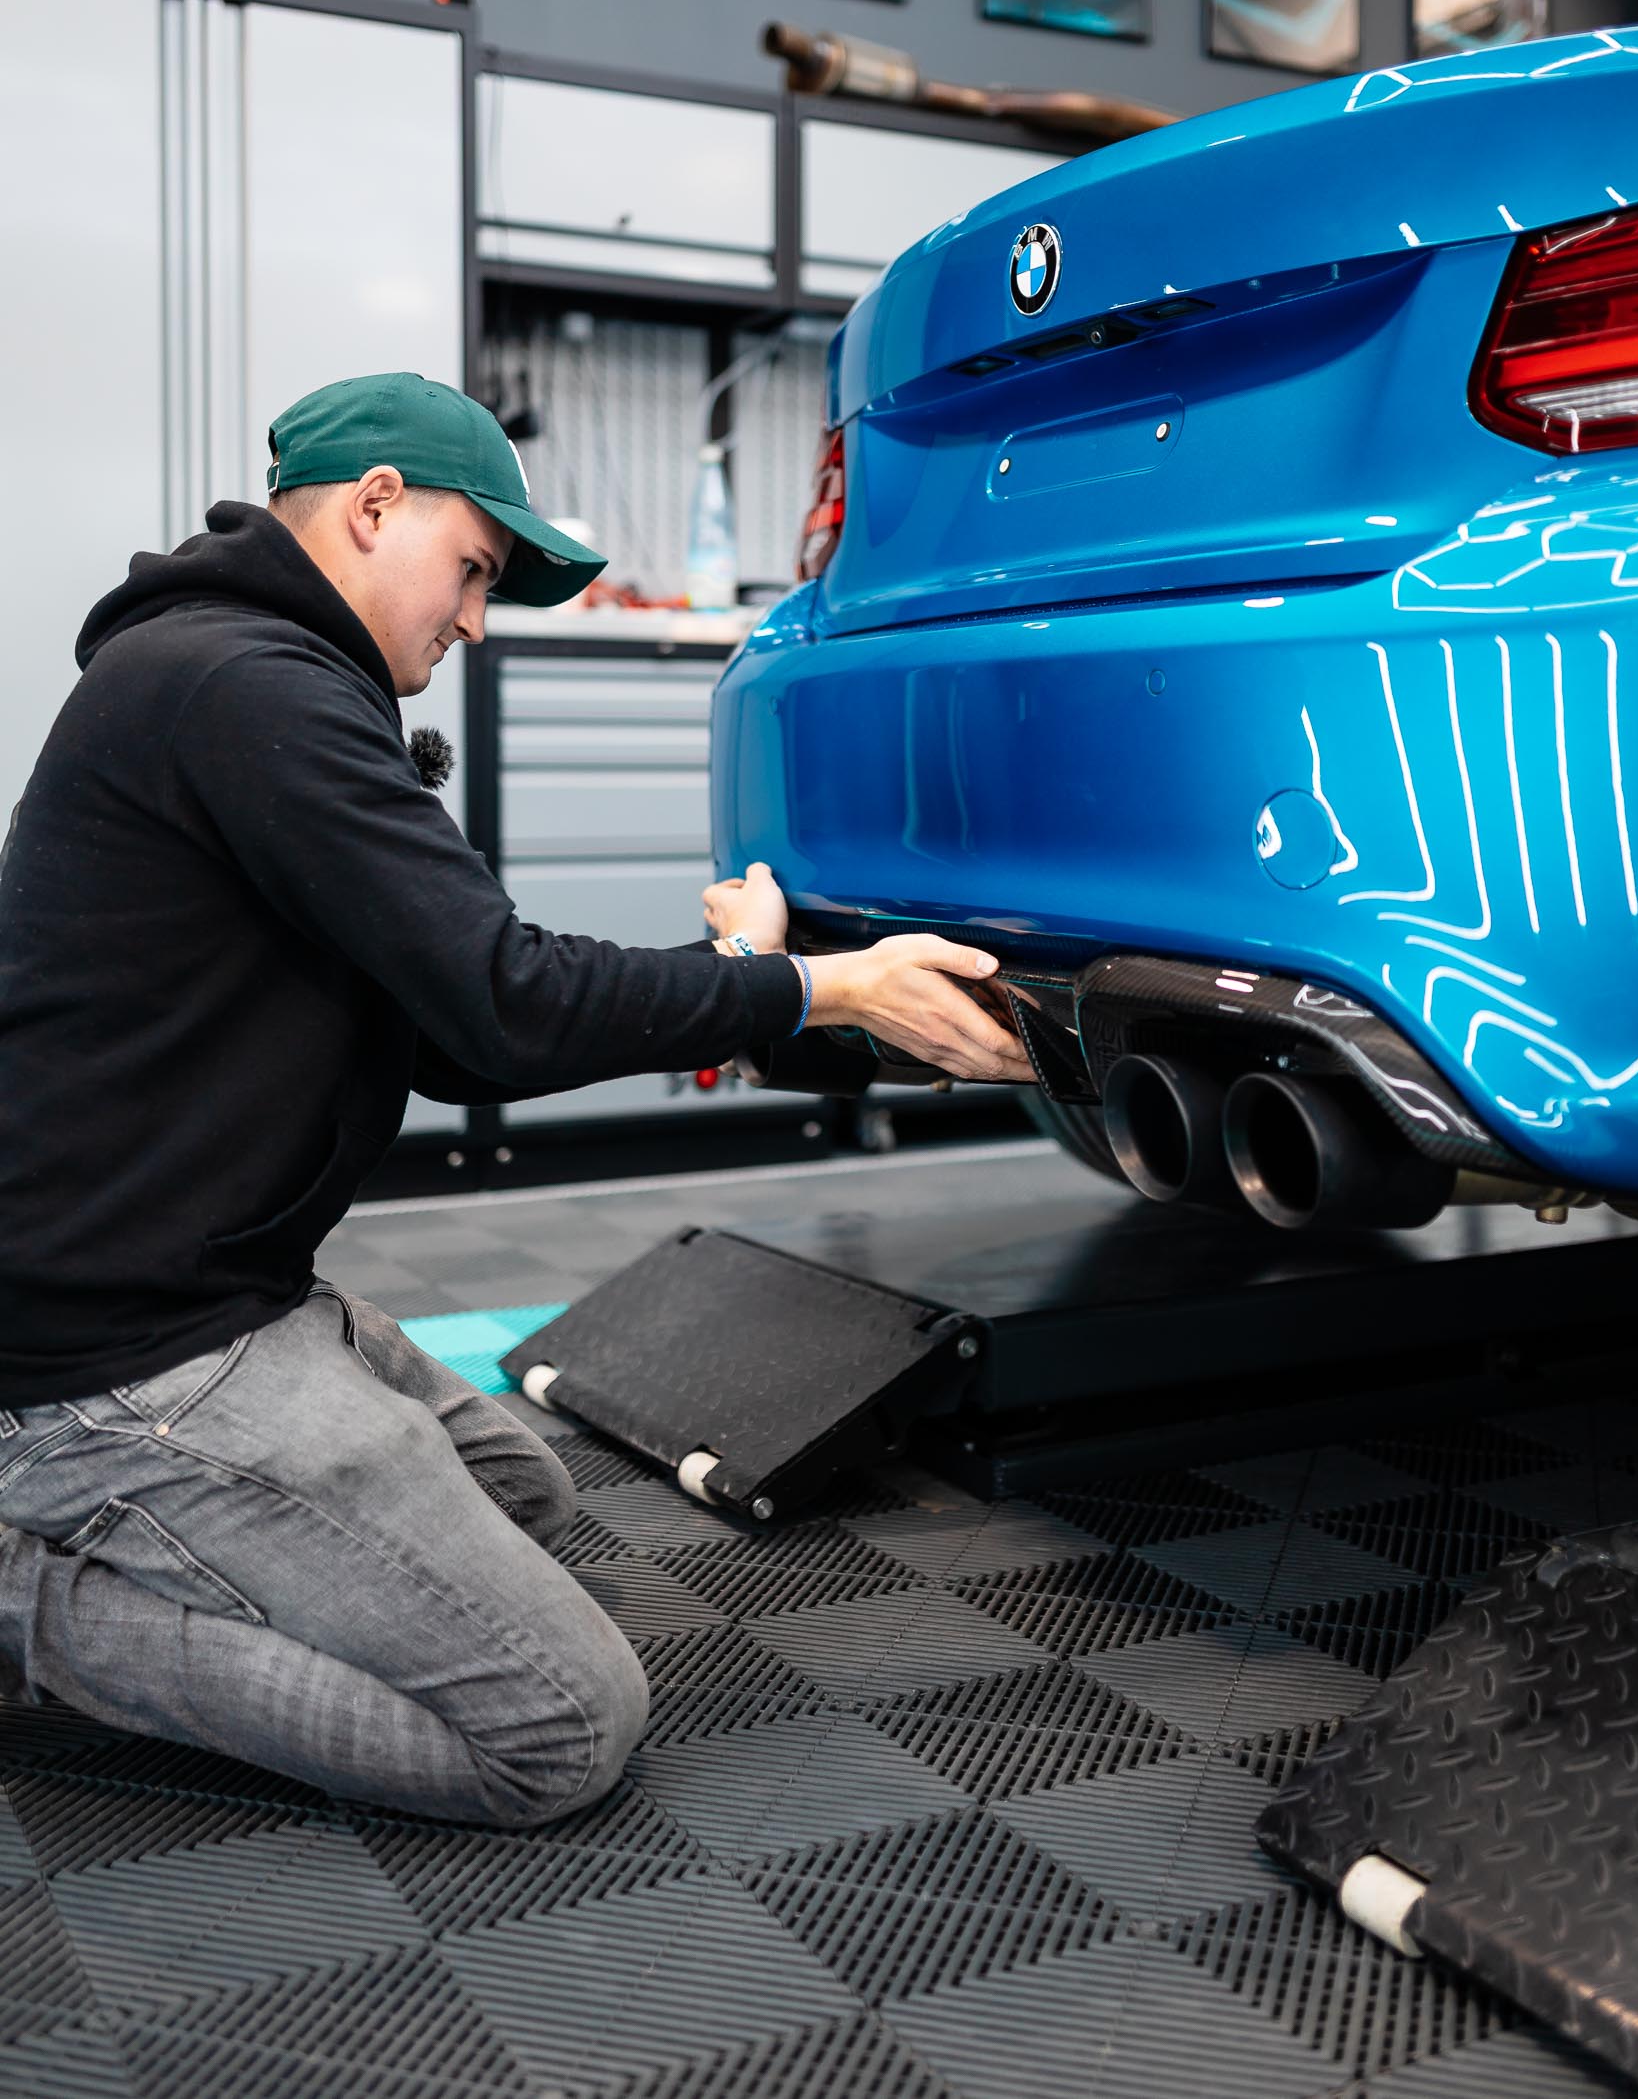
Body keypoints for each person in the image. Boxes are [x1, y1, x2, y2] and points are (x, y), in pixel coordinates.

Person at [0, 371, 1031, 1827]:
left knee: (525, 1498)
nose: (476, 622)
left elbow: (464, 1042)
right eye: (476, 570)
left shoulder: (263, 683)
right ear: (374, 506)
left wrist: (749, 976)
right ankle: (31, 1610)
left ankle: (175, 1539)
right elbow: (507, 996)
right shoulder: (244, 686)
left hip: (218, 1288)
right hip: (122, 1356)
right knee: (556, 1728)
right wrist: (826, 989)